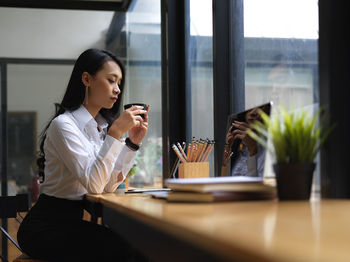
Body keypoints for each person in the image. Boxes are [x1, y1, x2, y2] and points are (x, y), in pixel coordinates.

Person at [17, 49, 149, 262]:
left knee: (138, 246)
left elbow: (107, 186)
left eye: (119, 83)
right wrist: (116, 133)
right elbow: (95, 186)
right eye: (111, 81)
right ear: (86, 79)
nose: (117, 90)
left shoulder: (99, 129)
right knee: (129, 251)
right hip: (44, 229)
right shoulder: (64, 125)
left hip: (70, 224)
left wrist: (132, 143)